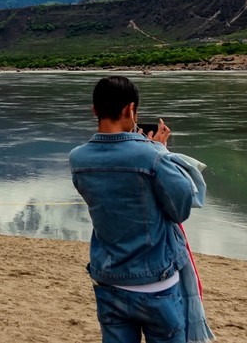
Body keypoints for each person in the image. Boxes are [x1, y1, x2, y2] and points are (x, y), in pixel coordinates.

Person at [69, 75, 206, 343]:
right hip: (156, 282)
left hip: (109, 279)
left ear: (94, 110)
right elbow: (180, 209)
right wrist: (161, 150)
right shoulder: (152, 156)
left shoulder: (78, 159)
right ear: (130, 110)